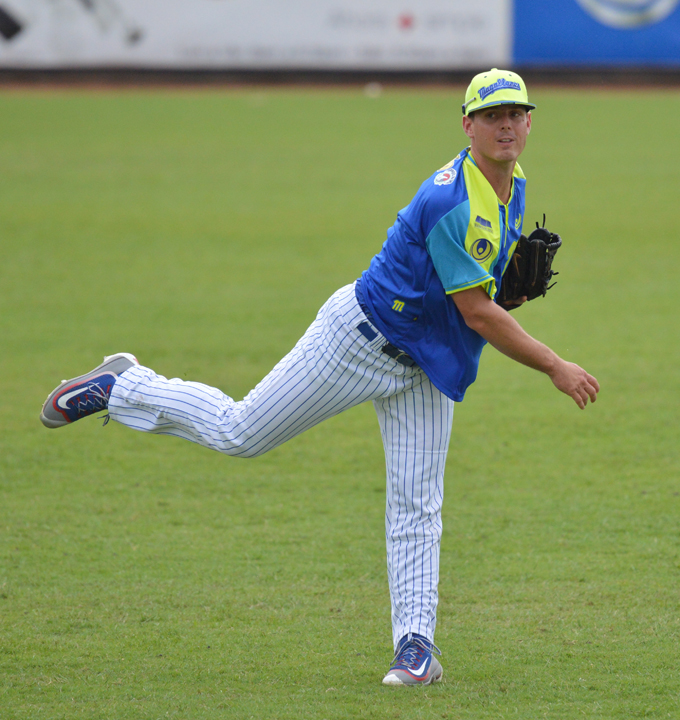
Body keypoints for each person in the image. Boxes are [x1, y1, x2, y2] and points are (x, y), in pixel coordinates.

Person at [40, 68, 599, 687]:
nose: (505, 125)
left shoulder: (513, 187)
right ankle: (124, 387)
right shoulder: (449, 198)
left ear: (529, 122)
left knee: (417, 507)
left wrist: (507, 299)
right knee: (240, 431)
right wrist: (554, 363)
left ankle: (416, 648)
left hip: (426, 365)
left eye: (516, 114)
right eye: (491, 115)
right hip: (358, 341)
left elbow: (481, 294)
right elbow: (476, 312)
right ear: (466, 125)